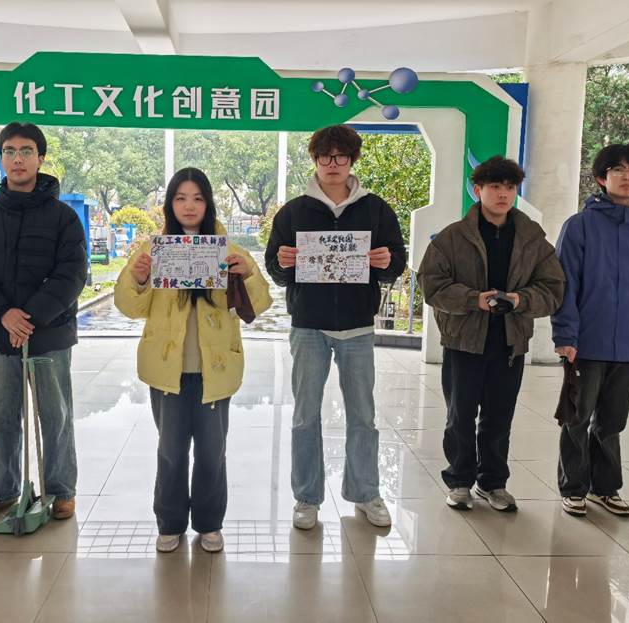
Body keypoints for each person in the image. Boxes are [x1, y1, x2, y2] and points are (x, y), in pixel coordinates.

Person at [115, 167, 271, 553]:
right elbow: (129, 307)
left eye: (197, 198)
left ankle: (209, 523)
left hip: (214, 371)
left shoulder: (229, 251)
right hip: (167, 370)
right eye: (181, 198)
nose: (189, 206)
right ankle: (170, 523)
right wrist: (138, 279)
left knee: (212, 452)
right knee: (171, 451)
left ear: (208, 203)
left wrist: (249, 274)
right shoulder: (153, 251)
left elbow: (260, 304)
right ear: (170, 204)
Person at [265, 124, 406, 529]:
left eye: (340, 156)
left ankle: (366, 493)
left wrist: (386, 262)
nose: (332, 164)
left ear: (352, 160)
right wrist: (283, 263)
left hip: (358, 327)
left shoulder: (375, 209)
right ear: (314, 160)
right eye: (325, 156)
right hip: (309, 325)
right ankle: (306, 497)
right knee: (305, 414)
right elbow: (276, 268)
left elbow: (396, 261)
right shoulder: (293, 212)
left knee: (363, 414)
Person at [0, 122, 87, 522]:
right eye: (10, 151)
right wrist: (4, 314)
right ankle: (0, 490)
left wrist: (28, 318)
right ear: (1, 159)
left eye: (26, 151)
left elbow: (72, 273)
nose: (18, 158)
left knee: (56, 414)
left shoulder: (63, 218)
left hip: (49, 333)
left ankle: (61, 490)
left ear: (40, 159)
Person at [418, 155, 564, 512]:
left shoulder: (532, 238)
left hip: (510, 342)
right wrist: (474, 300)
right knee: (460, 416)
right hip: (464, 341)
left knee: (499, 418)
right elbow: (431, 285)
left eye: (510, 187)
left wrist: (520, 300)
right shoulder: (453, 237)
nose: (503, 194)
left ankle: (493, 483)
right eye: (495, 186)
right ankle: (459, 481)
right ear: (477, 189)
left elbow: (553, 288)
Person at [552, 144, 629, 517]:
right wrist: (565, 336)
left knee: (613, 421)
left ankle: (604, 488)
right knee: (577, 417)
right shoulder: (579, 226)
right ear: (601, 178)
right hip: (588, 342)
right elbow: (565, 285)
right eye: (618, 169)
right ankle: (574, 487)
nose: (627, 176)